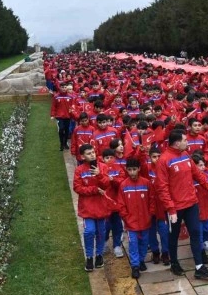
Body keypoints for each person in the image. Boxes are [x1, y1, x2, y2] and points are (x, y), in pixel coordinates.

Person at [156, 131, 208, 279]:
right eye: (185, 140)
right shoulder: (164, 160)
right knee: (174, 235)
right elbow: (162, 187)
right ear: (176, 143)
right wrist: (171, 209)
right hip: (175, 208)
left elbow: (197, 174)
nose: (187, 142)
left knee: (196, 233)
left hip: (191, 203)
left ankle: (199, 266)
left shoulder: (186, 156)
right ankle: (174, 263)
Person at [73, 144, 113, 272]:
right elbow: (77, 188)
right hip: (87, 208)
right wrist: (94, 189)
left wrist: (99, 175)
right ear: (82, 156)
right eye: (89, 153)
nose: (92, 155)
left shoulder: (103, 167)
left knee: (101, 232)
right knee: (89, 231)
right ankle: (89, 257)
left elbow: (107, 184)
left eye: (93, 152)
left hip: (101, 206)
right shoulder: (79, 170)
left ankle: (99, 255)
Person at [115, 158, 156, 278]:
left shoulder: (146, 183)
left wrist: (150, 214)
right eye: (129, 170)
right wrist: (126, 217)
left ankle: (141, 259)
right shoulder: (123, 185)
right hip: (130, 222)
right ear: (126, 170)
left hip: (145, 221)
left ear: (138, 169)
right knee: (133, 244)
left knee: (144, 242)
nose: (132, 172)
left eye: (134, 169)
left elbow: (152, 200)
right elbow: (121, 204)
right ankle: (135, 265)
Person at [51, 82, 74, 151]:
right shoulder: (56, 96)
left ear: (66, 88)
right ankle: (61, 144)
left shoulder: (70, 97)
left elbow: (72, 107)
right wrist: (52, 115)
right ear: (60, 88)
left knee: (67, 130)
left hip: (67, 116)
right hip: (59, 116)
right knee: (61, 129)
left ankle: (65, 143)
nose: (63, 89)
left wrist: (72, 116)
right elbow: (53, 106)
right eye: (62, 87)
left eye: (65, 87)